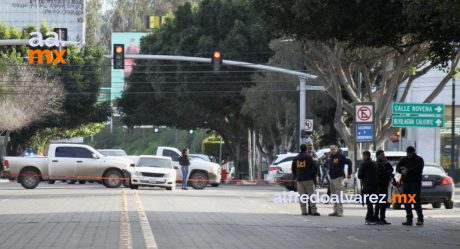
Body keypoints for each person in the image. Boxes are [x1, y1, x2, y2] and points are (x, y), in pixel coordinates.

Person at [396, 146, 424, 226]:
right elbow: (397, 168)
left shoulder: (419, 160)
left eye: (410, 153)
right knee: (406, 202)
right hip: (406, 183)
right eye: (407, 153)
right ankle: (409, 219)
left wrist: (407, 170)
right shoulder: (404, 159)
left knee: (416, 201)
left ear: (413, 152)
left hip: (415, 183)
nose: (408, 155)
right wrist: (402, 169)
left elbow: (417, 169)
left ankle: (420, 219)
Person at [291, 144, 320, 216]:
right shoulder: (309, 157)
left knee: (302, 196)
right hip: (308, 179)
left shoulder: (296, 158)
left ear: (300, 149)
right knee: (311, 195)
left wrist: (296, 176)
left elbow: (293, 168)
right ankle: (313, 211)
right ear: (306, 149)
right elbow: (314, 167)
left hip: (300, 179)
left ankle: (304, 211)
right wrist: (314, 176)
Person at [327, 145, 353, 217]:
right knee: (334, 195)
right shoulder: (330, 157)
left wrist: (349, 173)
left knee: (339, 195)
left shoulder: (340, 156)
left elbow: (349, 162)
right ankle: (335, 211)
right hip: (332, 178)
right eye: (331, 149)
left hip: (339, 178)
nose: (332, 150)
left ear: (336, 149)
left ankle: (340, 211)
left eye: (334, 149)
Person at [358, 151, 378, 225]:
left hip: (367, 186)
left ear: (366, 156)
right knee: (375, 202)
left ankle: (370, 218)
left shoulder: (363, 164)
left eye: (363, 156)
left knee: (369, 203)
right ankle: (373, 217)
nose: (362, 157)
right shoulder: (375, 164)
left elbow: (359, 175)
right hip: (375, 186)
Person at [375, 150, 394, 225]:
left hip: (384, 185)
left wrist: (386, 163)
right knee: (379, 203)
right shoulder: (377, 164)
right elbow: (381, 174)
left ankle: (382, 218)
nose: (384, 156)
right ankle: (377, 218)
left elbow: (391, 169)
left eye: (384, 155)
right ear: (378, 156)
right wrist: (387, 172)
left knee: (383, 203)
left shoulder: (385, 164)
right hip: (379, 186)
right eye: (382, 155)